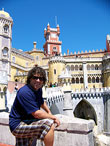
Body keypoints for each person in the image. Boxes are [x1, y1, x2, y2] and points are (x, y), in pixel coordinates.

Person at [9, 66, 60, 146]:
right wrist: (53, 117)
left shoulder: (38, 89)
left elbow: (41, 102)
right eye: (35, 78)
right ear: (30, 79)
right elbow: (36, 113)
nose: (38, 80)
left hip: (27, 121)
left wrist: (49, 112)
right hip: (18, 125)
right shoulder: (25, 92)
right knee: (49, 125)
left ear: (43, 81)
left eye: (41, 79)